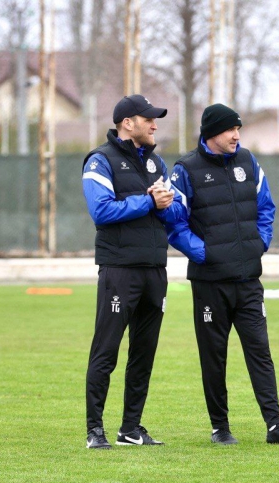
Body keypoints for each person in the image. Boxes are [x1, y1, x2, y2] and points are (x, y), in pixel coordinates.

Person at [166, 103, 279, 446]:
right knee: (214, 356)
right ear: (212, 133)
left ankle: (275, 426)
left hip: (248, 280)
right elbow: (174, 223)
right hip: (210, 283)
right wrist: (205, 254)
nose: (236, 136)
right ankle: (220, 428)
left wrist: (260, 242)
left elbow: (266, 207)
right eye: (231, 129)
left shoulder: (248, 161)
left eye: (238, 129)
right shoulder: (186, 169)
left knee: (261, 353)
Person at [82, 94, 183, 449]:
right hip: (119, 270)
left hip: (155, 269)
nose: (155, 125)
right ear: (128, 123)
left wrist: (166, 204)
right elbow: (101, 211)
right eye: (148, 119)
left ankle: (131, 429)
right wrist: (148, 201)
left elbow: (173, 213)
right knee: (106, 351)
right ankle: (95, 430)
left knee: (144, 353)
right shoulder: (100, 160)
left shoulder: (156, 162)